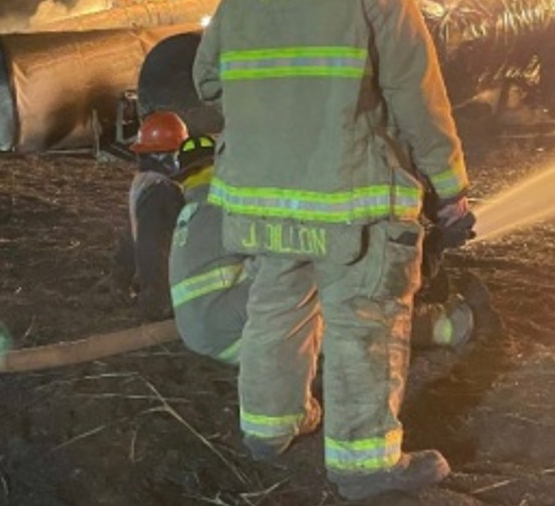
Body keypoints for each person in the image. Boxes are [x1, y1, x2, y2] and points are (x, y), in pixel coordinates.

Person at [192, 0, 475, 501]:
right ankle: (363, 465)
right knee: (364, 324)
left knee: (275, 311)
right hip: (351, 206)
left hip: (259, 205)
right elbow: (420, 106)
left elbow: (207, 84)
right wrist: (452, 193)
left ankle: (268, 430)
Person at [168, 133, 481, 365]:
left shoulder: (193, 214)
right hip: (241, 328)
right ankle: (447, 326)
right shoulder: (233, 200)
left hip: (208, 334)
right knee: (348, 304)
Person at [123, 111, 190, 319]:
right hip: (168, 291)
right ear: (167, 156)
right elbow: (152, 247)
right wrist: (158, 300)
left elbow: (130, 236)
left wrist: (120, 276)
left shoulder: (144, 182)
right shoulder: (161, 190)